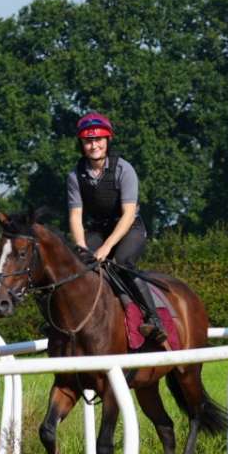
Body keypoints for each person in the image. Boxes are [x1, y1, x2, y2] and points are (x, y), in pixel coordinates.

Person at [66, 112, 168, 346]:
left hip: (128, 227)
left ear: (108, 140)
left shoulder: (125, 169)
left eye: (99, 140)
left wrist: (107, 247)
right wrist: (81, 247)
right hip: (97, 230)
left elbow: (129, 213)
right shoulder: (74, 175)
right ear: (81, 144)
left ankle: (154, 319)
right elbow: (75, 215)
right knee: (77, 266)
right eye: (88, 141)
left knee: (122, 263)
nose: (94, 145)